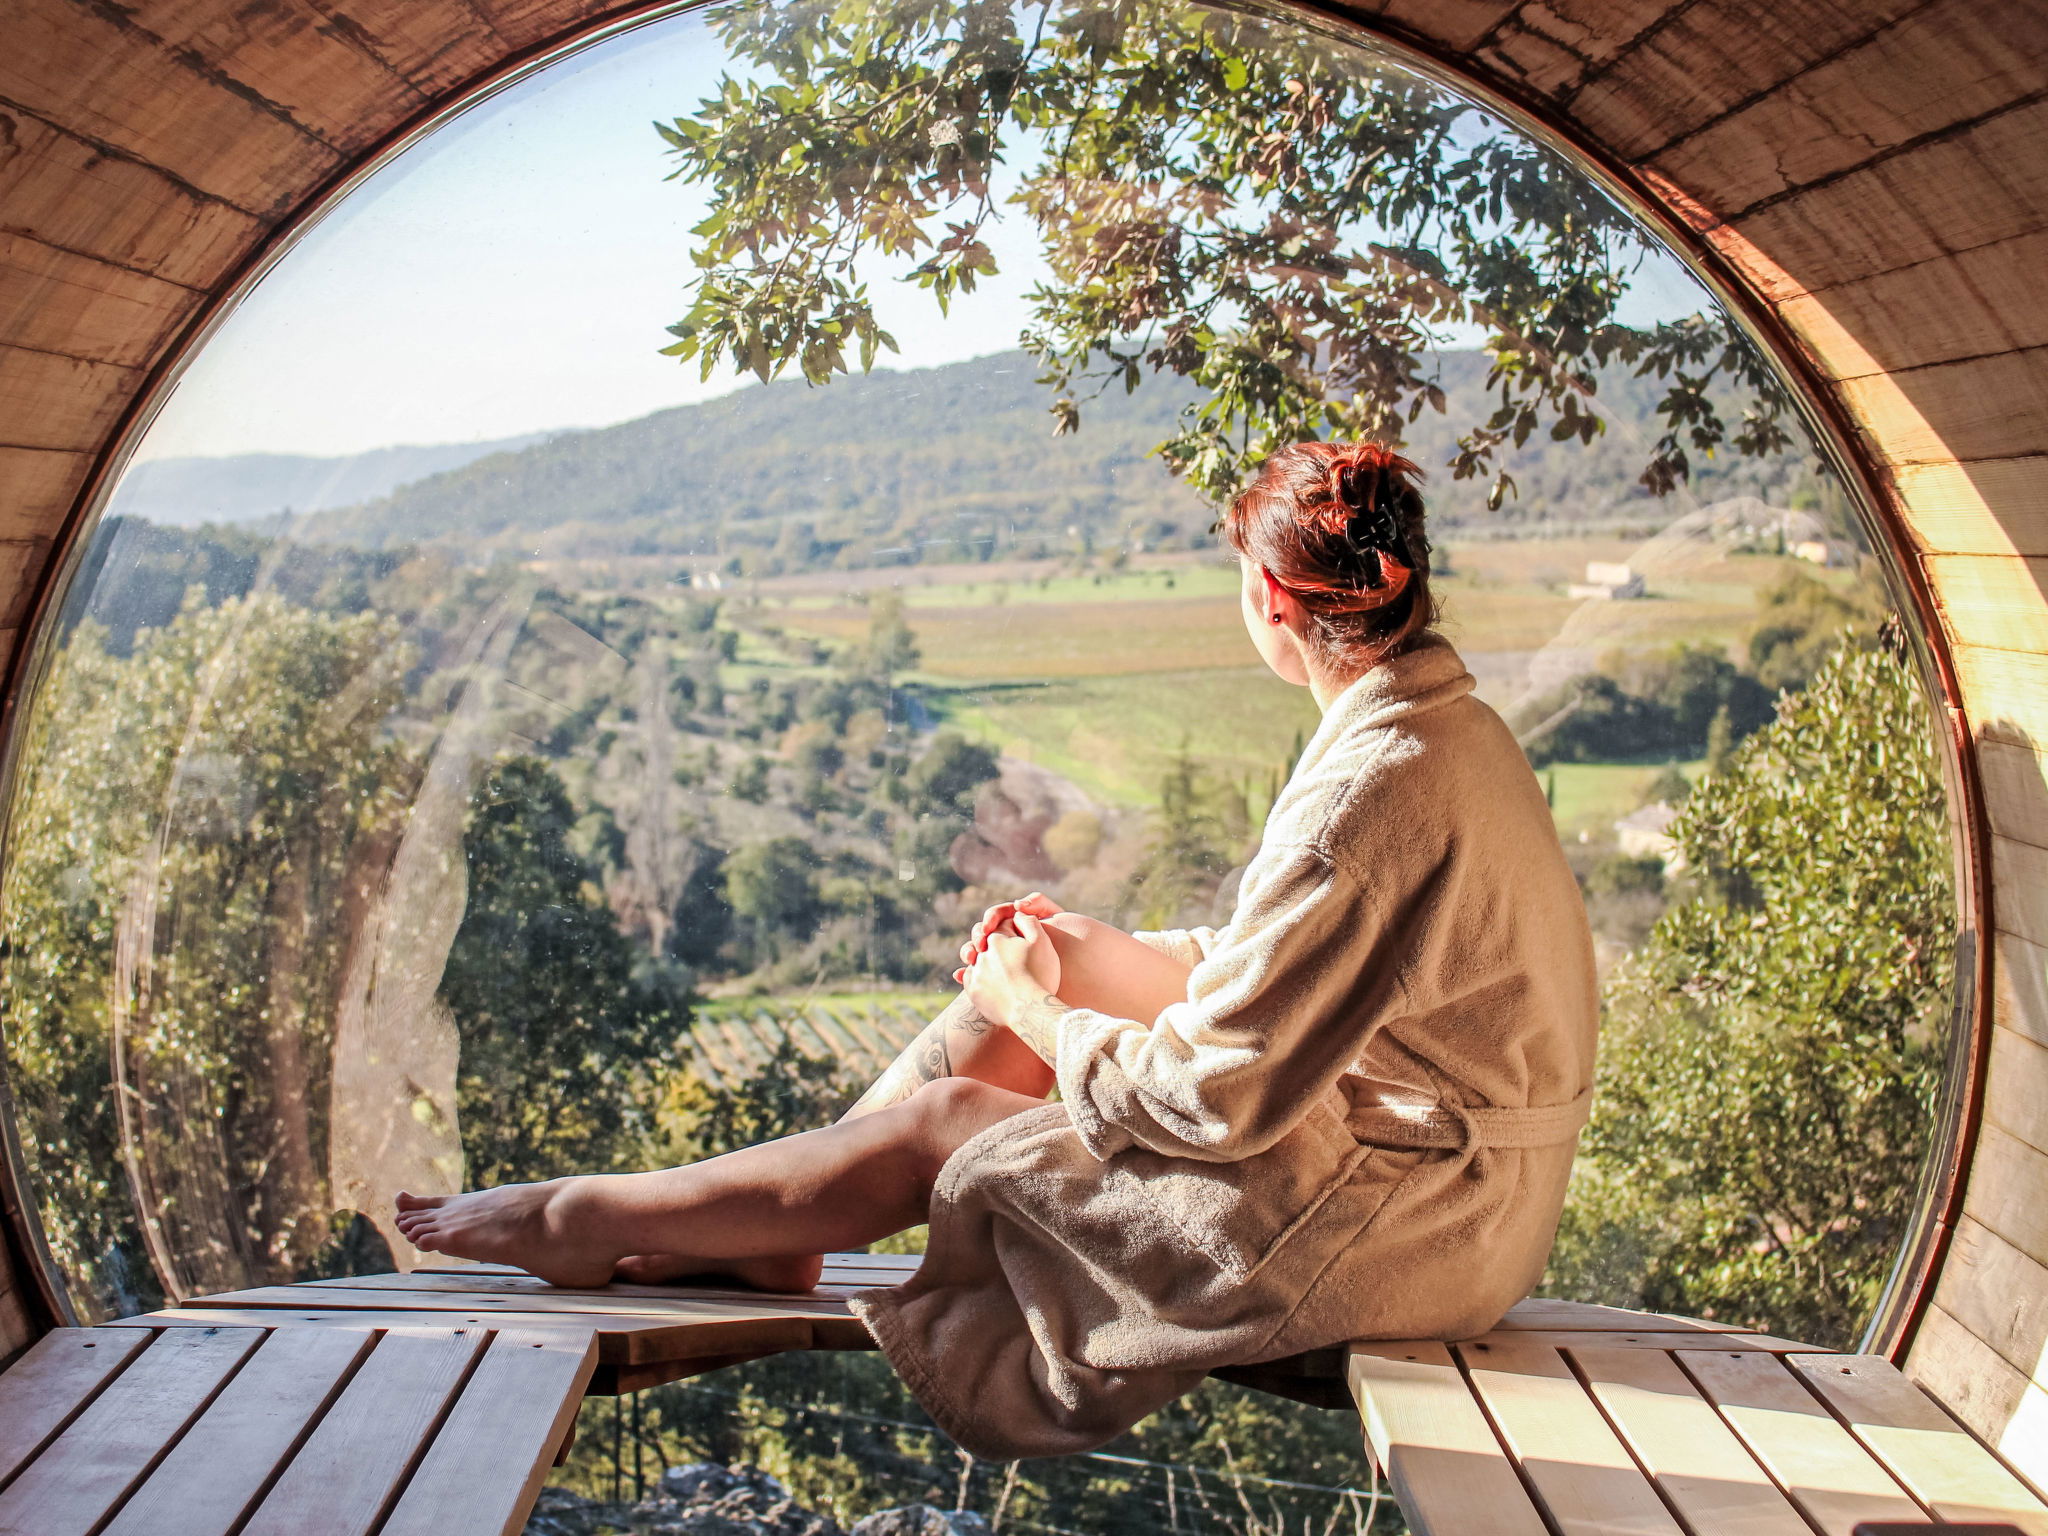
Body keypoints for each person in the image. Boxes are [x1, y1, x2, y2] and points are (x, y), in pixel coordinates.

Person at [394, 441, 1597, 1460]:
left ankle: (585, 1216)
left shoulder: (1366, 791)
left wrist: (1033, 1015)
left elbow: (1213, 1102)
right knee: (1047, 953)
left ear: (1271, 600)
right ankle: (787, 1233)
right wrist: (1070, 954)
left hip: (1411, 1219)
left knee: (950, 1122)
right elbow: (1291, 963)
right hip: (1440, 1173)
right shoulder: (1435, 732)